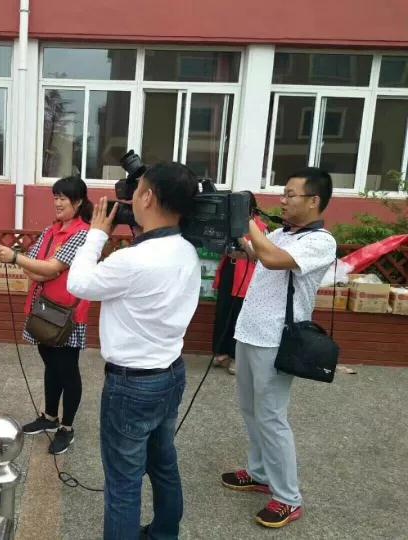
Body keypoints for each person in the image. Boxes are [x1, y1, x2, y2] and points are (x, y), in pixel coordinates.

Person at [67, 163, 201, 540]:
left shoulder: (132, 260)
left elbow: (78, 283)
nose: (131, 199)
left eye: (137, 190)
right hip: (170, 374)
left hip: (131, 385)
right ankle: (164, 534)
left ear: (148, 197)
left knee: (123, 484)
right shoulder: (187, 251)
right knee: (163, 465)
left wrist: (96, 234)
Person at [221, 168, 336, 528]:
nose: (282, 201)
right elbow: (257, 253)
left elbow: (272, 258)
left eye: (290, 194)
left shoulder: (321, 242)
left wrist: (245, 218)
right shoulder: (282, 233)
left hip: (277, 339)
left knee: (271, 418)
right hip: (249, 331)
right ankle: (259, 473)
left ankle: (288, 498)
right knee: (250, 410)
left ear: (314, 200)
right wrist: (237, 234)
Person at [0, 175, 92, 455]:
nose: (57, 203)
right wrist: (41, 268)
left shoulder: (83, 234)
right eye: (55, 197)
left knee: (67, 370)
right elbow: (36, 266)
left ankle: (67, 428)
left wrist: (23, 261)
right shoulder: (51, 230)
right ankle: (49, 416)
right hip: (43, 311)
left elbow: (49, 267)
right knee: (51, 364)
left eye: (63, 198)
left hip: (66, 315)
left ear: (78, 202)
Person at [212, 192, 267, 374]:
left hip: (246, 277)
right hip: (230, 271)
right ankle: (222, 353)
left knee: (238, 316)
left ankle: (237, 357)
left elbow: (257, 254)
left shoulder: (260, 228)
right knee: (224, 312)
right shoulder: (228, 224)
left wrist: (241, 239)